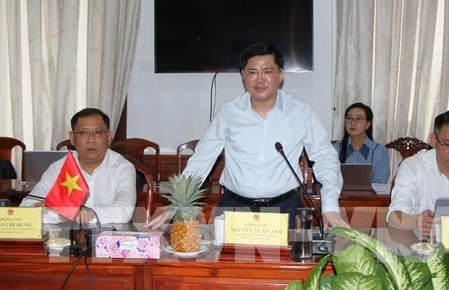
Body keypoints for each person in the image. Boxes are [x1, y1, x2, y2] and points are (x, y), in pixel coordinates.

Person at [146, 42, 347, 230]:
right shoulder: (229, 113)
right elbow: (202, 159)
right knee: (229, 267)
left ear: (281, 74)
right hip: (235, 207)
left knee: (285, 267)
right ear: (243, 75)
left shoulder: (301, 112)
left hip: (286, 208)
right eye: (253, 72)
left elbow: (324, 156)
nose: (260, 79)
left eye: (267, 71)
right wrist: (177, 204)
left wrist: (330, 206)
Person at [20, 108, 137, 224]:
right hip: (65, 238)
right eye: (83, 132)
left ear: (109, 137)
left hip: (108, 238)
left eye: (98, 132)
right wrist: (63, 215)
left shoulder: (123, 167)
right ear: (72, 138)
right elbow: (26, 208)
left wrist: (77, 213)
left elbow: (124, 212)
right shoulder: (58, 168)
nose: (91, 139)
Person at [334, 102, 390, 184]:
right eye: (349, 118)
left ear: (368, 124)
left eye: (358, 119)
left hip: (369, 197)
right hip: (340, 196)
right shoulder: (336, 149)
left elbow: (380, 183)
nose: (353, 123)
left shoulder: (380, 152)